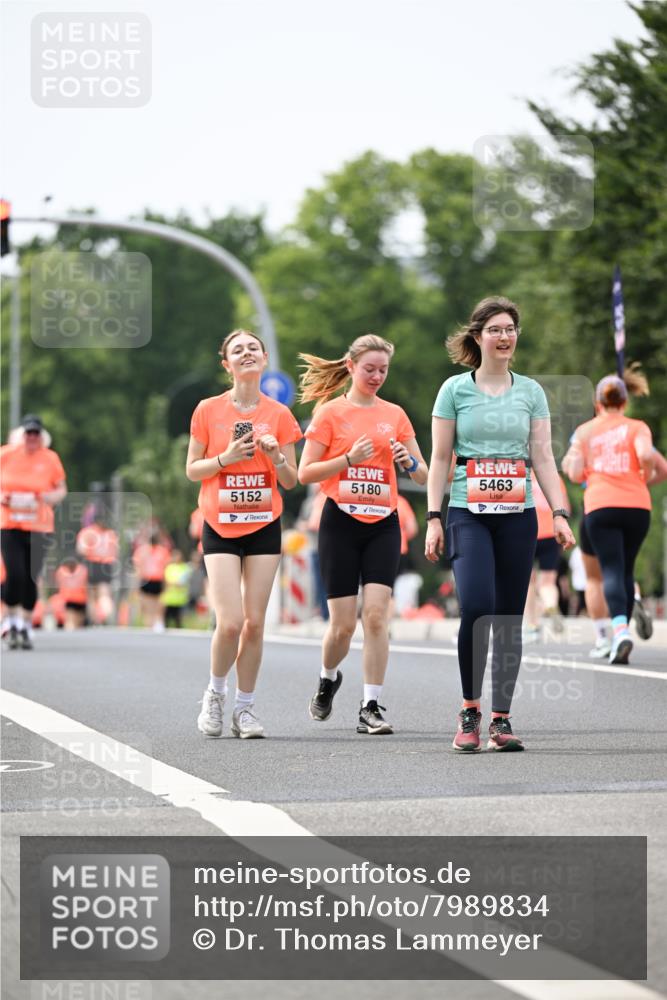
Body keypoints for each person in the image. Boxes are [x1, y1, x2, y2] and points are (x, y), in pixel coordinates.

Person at [425, 297, 575, 753]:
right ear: (478, 336)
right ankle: (470, 710)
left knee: (509, 618)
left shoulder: (530, 391)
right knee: (476, 605)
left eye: (510, 328)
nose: (504, 336)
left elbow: (544, 458)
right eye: (495, 329)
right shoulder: (454, 389)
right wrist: (433, 517)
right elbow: (438, 459)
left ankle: (501, 720)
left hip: (518, 513)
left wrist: (561, 512)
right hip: (467, 512)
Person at [298, 333, 428, 735]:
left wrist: (409, 463)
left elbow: (425, 475)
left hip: (383, 522)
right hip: (340, 521)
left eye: (383, 370)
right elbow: (305, 473)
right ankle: (327, 677)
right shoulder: (330, 414)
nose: (376, 377)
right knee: (342, 626)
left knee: (375, 616)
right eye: (369, 369)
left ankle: (370, 705)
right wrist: (347, 460)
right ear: (351, 367)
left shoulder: (395, 414)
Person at [186, 328, 301, 739]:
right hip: (220, 525)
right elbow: (192, 469)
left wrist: (274, 456)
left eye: (253, 348)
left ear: (264, 359)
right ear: (227, 365)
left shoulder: (280, 414)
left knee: (254, 624)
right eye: (238, 349)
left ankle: (245, 708)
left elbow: (291, 480)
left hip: (264, 525)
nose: (247, 353)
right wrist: (225, 457)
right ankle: (215, 694)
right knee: (230, 622)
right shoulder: (208, 410)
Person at [562, 367, 654, 664]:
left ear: (597, 403)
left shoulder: (585, 431)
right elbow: (646, 456)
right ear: (625, 402)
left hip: (601, 504)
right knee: (625, 570)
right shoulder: (638, 427)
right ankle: (621, 631)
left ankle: (619, 632)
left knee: (610, 570)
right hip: (638, 505)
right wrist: (644, 475)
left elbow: (575, 472)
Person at [0, 414, 67, 649]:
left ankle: (26, 624)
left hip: (39, 525)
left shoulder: (50, 459)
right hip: (11, 524)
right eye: (28, 433)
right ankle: (10, 619)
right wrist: (3, 497)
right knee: (15, 573)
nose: (31, 438)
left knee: (31, 576)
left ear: (42, 437)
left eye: (36, 434)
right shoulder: (6, 454)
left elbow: (61, 490)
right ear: (21, 435)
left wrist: (45, 498)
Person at [523, 477, 570, 642]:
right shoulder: (555, 478)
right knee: (548, 582)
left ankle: (533, 625)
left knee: (528, 583)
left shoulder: (522, 475)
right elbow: (566, 508)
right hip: (551, 534)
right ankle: (550, 605)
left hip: (528, 532)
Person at [75, 510, 118, 624]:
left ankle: (94, 620)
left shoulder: (87, 532)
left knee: (91, 596)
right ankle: (106, 617)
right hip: (107, 565)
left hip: (92, 563)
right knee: (104, 594)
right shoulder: (111, 533)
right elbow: (115, 551)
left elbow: (81, 550)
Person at [132, 530, 171, 632]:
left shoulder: (141, 551)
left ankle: (150, 623)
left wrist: (136, 584)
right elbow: (166, 568)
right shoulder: (163, 551)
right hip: (157, 579)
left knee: (148, 605)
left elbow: (138, 569)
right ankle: (157, 622)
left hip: (147, 579)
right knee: (158, 603)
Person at [54, 556, 89, 630]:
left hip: (72, 598)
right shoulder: (82, 570)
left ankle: (70, 633)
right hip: (78, 598)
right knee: (75, 621)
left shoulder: (61, 571)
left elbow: (58, 583)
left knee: (71, 620)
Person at [161, 549, 191, 628]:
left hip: (180, 599)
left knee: (178, 620)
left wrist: (175, 583)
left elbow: (183, 582)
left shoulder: (185, 568)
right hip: (169, 598)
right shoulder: (169, 567)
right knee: (166, 619)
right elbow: (166, 581)